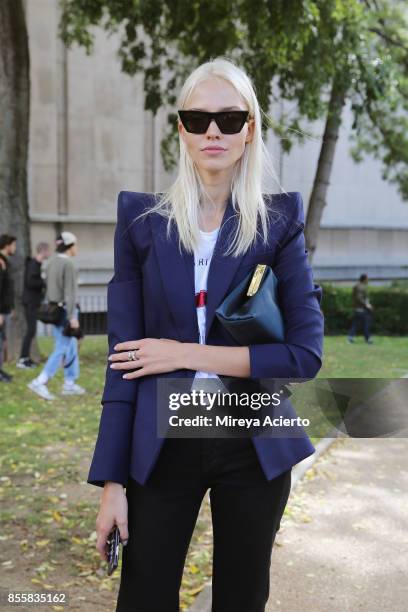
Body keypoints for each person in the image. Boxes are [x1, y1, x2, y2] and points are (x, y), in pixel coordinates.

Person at [87, 58, 324, 612]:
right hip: (163, 436)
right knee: (143, 596)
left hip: (252, 437)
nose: (212, 131)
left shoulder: (279, 224)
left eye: (228, 118)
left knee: (241, 599)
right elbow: (124, 363)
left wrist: (183, 352)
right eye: (197, 119)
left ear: (250, 129)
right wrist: (112, 484)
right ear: (181, 131)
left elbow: (304, 356)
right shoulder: (141, 222)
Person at [27, 232, 85, 400]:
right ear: (70, 245)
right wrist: (73, 316)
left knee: (70, 345)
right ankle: (41, 381)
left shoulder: (51, 261)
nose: (77, 248)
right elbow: (70, 293)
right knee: (63, 347)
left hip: (54, 310)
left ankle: (69, 383)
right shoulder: (69, 264)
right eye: (75, 244)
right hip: (67, 310)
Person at [17, 241, 50, 369]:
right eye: (47, 251)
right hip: (30, 302)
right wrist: (43, 282)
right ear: (43, 251)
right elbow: (30, 282)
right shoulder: (33, 264)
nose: (49, 253)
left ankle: (26, 358)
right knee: (30, 330)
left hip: (33, 302)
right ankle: (22, 359)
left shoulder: (36, 264)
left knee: (32, 331)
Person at [0, 234, 17, 383]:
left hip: (5, 309)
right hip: (0, 311)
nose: (14, 248)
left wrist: (10, 307)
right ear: (7, 245)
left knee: (2, 341)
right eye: (13, 245)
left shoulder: (5, 262)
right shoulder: (1, 262)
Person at [347, 273, 374, 344]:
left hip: (358, 308)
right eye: (367, 278)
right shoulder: (360, 287)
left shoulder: (358, 286)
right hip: (361, 309)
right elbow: (359, 298)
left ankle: (350, 337)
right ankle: (368, 339)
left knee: (356, 324)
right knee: (365, 324)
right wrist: (367, 305)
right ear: (364, 279)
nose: (368, 280)